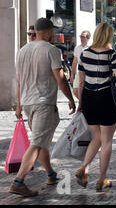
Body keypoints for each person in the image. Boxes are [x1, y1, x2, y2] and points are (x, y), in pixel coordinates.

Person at [9, 18, 76, 197]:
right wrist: (70, 98)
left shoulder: (22, 50)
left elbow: (20, 81)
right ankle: (19, 181)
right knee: (37, 142)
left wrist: (19, 104)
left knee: (41, 140)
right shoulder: (51, 50)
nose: (52, 34)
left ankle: (51, 174)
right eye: (52, 31)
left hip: (28, 102)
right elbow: (60, 77)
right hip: (43, 102)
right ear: (46, 31)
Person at [75, 23, 116, 192]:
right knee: (107, 140)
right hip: (106, 99)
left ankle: (84, 168)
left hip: (89, 98)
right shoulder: (112, 55)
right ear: (108, 36)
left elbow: (81, 81)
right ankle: (101, 179)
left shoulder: (84, 53)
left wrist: (80, 103)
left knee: (96, 137)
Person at [70, 30, 91, 98]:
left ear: (88, 38)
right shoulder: (77, 48)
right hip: (79, 72)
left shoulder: (91, 48)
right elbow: (74, 61)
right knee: (75, 89)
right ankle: (82, 103)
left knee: (87, 90)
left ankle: (84, 104)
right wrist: (72, 74)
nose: (81, 38)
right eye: (80, 36)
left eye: (83, 37)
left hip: (89, 73)